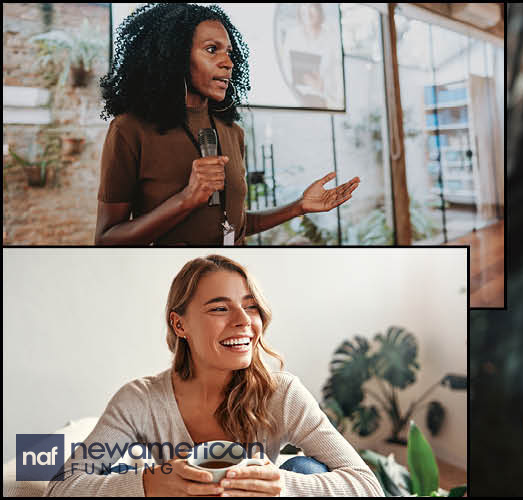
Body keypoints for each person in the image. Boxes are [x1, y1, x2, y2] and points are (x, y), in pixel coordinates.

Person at [45, 255, 382, 497]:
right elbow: (61, 487)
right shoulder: (140, 400)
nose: (243, 320)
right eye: (220, 308)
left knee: (307, 471)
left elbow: (367, 486)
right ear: (180, 325)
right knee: (123, 477)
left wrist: (282, 486)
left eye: (250, 306)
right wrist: (149, 484)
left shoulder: (282, 392)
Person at [97, 3, 358, 246]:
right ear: (174, 54)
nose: (228, 63)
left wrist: (298, 206)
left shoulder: (233, 132)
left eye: (229, 53)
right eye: (212, 50)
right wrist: (186, 200)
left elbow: (235, 225)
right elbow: (107, 239)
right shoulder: (129, 130)